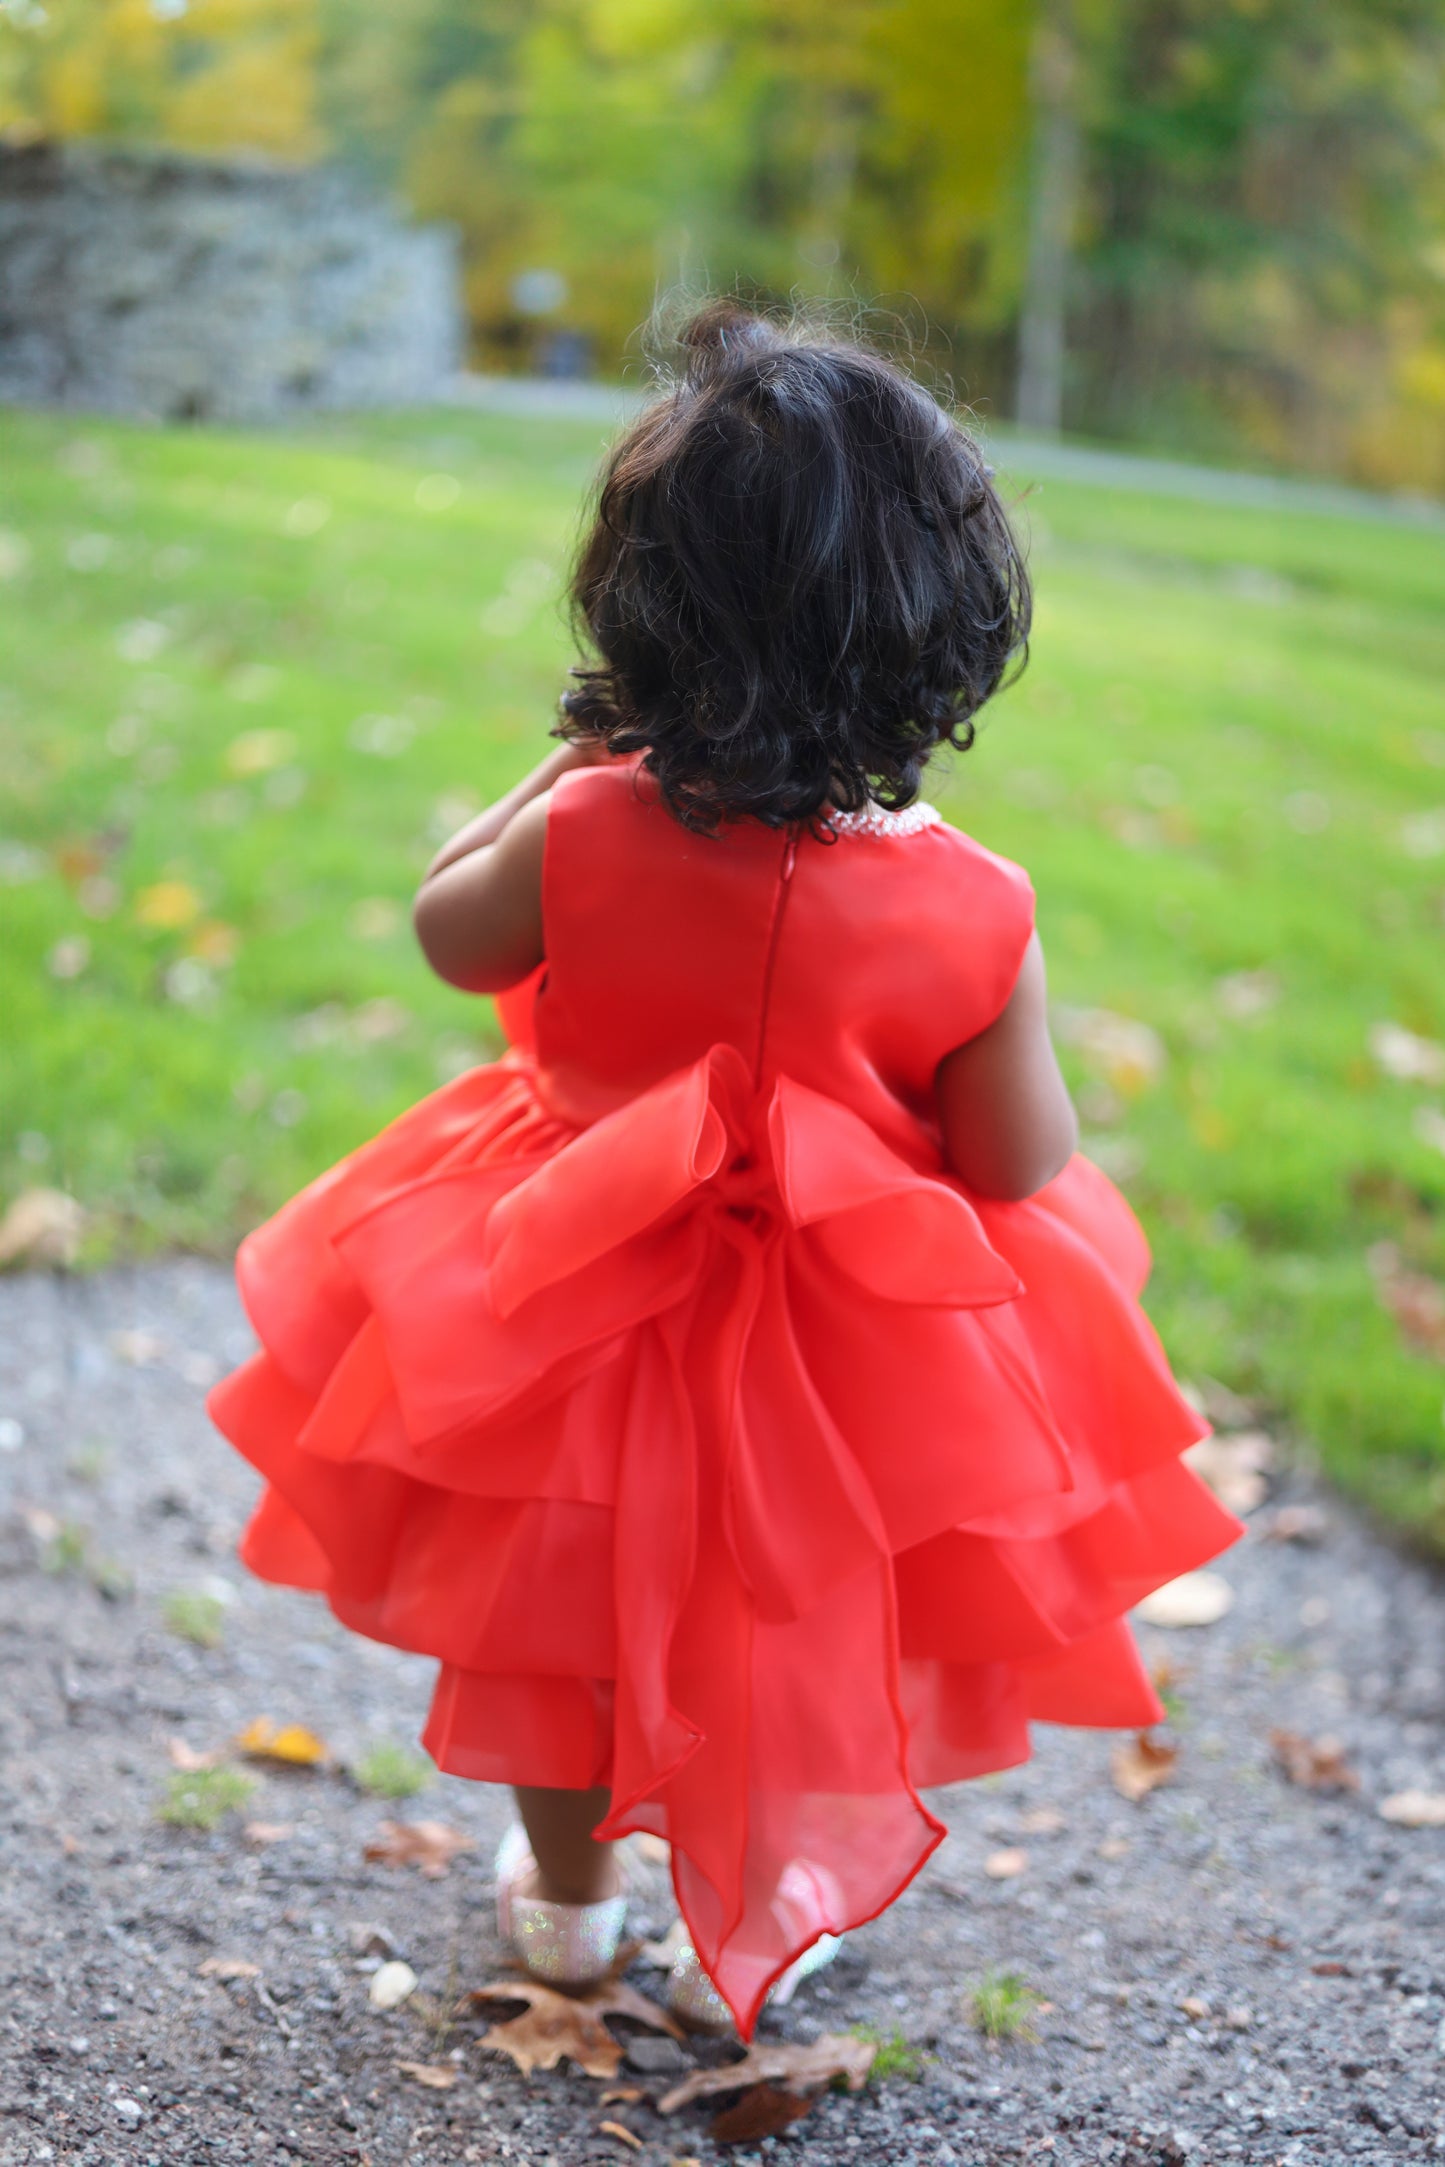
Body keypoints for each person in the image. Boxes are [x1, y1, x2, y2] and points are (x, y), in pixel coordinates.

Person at [208, 303, 1239, 2039]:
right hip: (834, 1345)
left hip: (567, 1291)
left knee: (560, 1614)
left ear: (644, 614)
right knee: (791, 1618)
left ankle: (567, 1902)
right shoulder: (978, 906)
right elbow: (1011, 1161)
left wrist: (582, 750)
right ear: (942, 621)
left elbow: (450, 935)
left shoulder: (589, 822)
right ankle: (761, 1901)